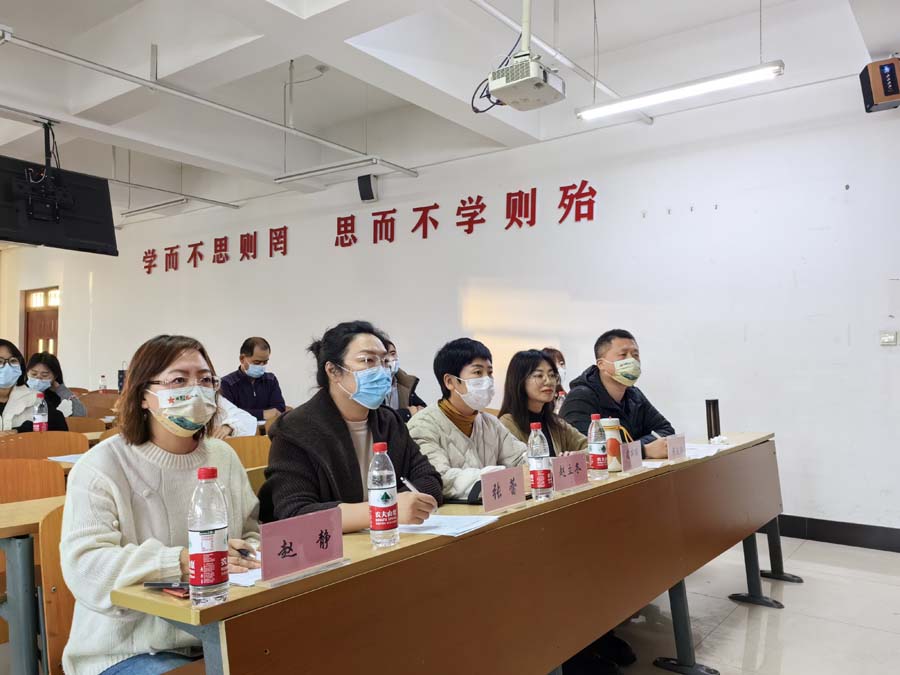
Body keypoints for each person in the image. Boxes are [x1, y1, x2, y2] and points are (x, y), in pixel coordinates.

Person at [60, 334, 261, 675]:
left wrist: (247, 554)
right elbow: (86, 568)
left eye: (205, 380)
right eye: (179, 380)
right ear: (143, 395)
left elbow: (251, 532)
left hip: (218, 634)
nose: (196, 391)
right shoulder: (101, 466)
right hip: (127, 650)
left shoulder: (222, 456)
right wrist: (180, 562)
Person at [259, 321, 441, 529]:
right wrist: (386, 509)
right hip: (332, 546)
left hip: (387, 539)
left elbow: (429, 481)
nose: (381, 371)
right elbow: (295, 514)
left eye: (385, 361)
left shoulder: (389, 421)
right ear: (333, 371)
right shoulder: (294, 430)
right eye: (367, 360)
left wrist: (395, 507)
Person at [407, 338, 526, 501]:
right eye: (478, 373)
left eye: (490, 373)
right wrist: (500, 476)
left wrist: (541, 464)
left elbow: (520, 458)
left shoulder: (490, 422)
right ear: (450, 381)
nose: (487, 380)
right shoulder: (422, 426)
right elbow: (441, 479)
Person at [561, 329, 674, 460]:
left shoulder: (634, 394)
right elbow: (594, 450)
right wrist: (643, 450)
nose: (632, 360)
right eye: (623, 355)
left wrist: (633, 447)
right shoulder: (580, 398)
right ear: (601, 364)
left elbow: (666, 431)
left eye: (635, 355)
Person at [498, 350, 587, 456]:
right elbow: (520, 463)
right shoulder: (507, 424)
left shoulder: (555, 423)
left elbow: (594, 447)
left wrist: (575, 456)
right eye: (539, 375)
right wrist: (558, 461)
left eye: (552, 375)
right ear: (520, 381)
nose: (549, 381)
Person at [0, 339, 67, 434]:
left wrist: (21, 430)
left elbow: (60, 430)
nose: (7, 367)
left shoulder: (35, 397)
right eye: (0, 361)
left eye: (13, 361)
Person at [220, 337, 286, 421]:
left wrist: (247, 413)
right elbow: (228, 413)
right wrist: (262, 414)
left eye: (265, 362)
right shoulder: (227, 383)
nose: (261, 366)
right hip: (241, 429)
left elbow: (280, 408)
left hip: (268, 427)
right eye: (257, 362)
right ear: (242, 359)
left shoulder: (271, 379)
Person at [25, 351, 87, 417]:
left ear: (54, 377)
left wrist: (60, 389)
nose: (38, 378)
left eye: (44, 375)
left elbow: (80, 415)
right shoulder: (20, 393)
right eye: (34, 374)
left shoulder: (56, 397)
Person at [384, 339, 427, 421]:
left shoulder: (403, 382)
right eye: (384, 355)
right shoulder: (373, 385)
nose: (390, 359)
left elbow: (423, 409)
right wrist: (408, 413)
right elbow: (379, 417)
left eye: (393, 353)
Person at [543, 346, 568, 412]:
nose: (560, 368)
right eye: (554, 364)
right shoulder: (541, 398)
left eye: (562, 364)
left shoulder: (564, 396)